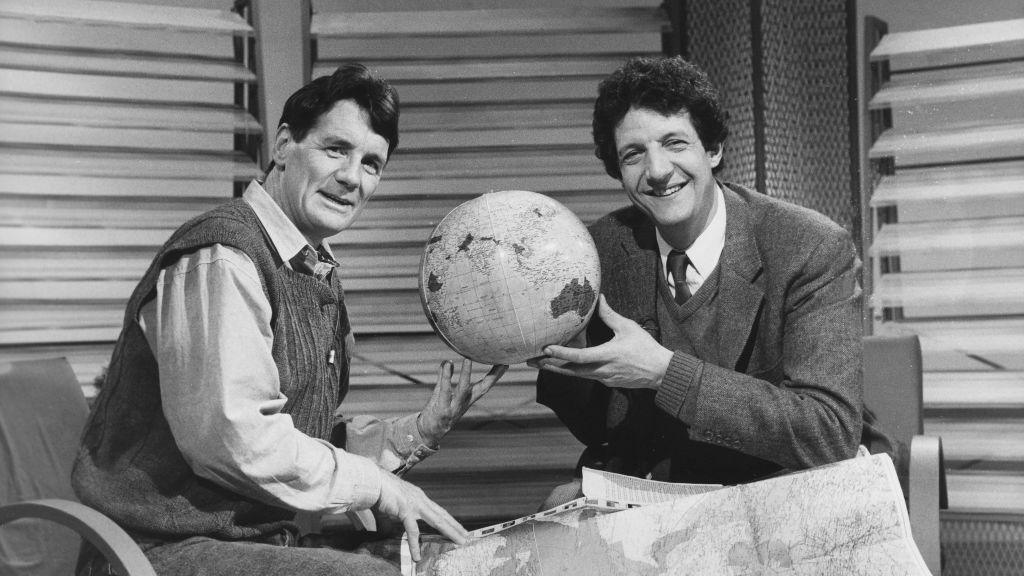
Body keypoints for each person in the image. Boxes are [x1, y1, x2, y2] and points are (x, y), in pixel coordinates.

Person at [72, 63, 506, 576]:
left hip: (255, 543)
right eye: (335, 149)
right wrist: (380, 486)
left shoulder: (309, 267)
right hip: (155, 550)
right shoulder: (223, 256)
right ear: (282, 145)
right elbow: (239, 441)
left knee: (443, 563)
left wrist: (421, 430)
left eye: (372, 163)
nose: (352, 178)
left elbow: (304, 440)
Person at [532, 55, 866, 489]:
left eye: (675, 143)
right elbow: (609, 430)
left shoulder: (809, 247)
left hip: (776, 497)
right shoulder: (600, 251)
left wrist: (664, 372)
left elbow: (829, 431)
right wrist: (557, 353)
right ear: (618, 171)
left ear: (713, 150)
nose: (656, 171)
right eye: (634, 154)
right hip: (656, 505)